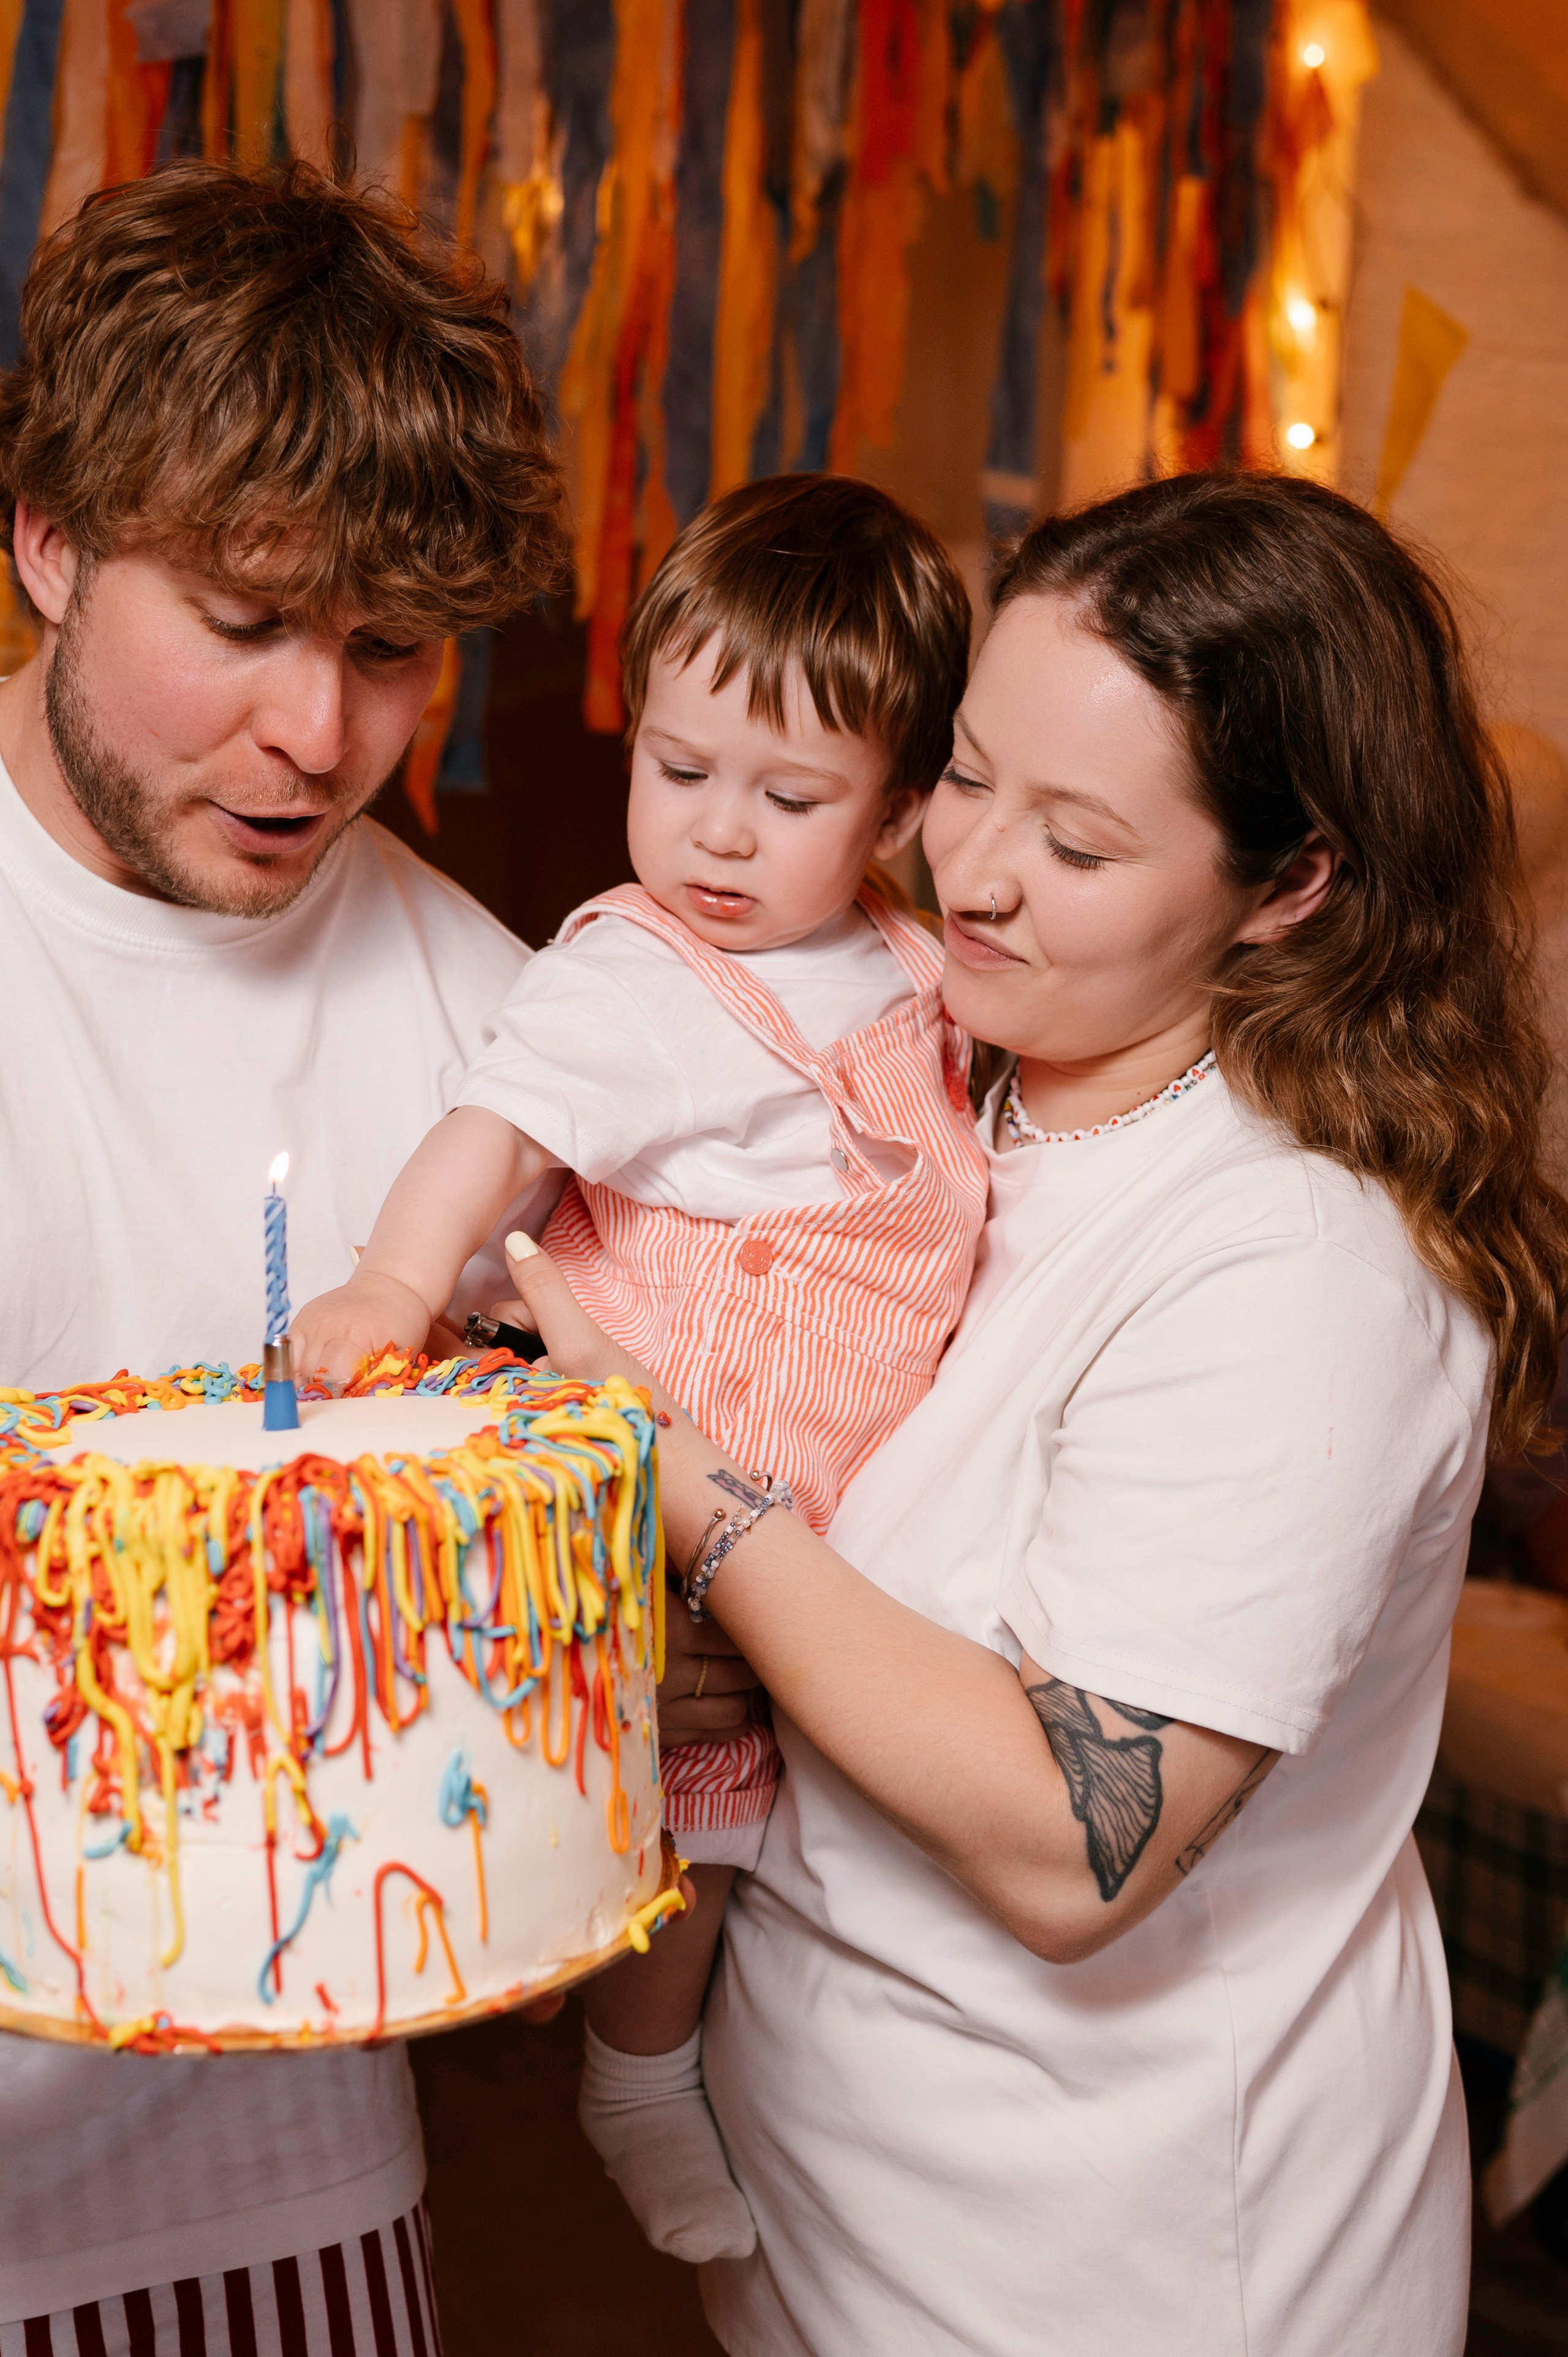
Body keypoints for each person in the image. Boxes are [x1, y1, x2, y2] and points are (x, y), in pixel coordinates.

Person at [496, 471, 1568, 2356]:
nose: (974, 868)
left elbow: (1080, 1841)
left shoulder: (1298, 1260)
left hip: (1116, 2264)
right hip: (833, 2202)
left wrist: (683, 1491)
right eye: (969, 774)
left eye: (1075, 842)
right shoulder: (938, 1074)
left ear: (1290, 881)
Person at [292, 472, 989, 2263]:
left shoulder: (925, 977)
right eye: (679, 774)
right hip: (650, 1490)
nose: (718, 840)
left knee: (761, 1836)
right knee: (680, 1803)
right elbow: (490, 1127)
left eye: (791, 798)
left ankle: (660, 2055)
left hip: (836, 1513)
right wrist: (389, 1273)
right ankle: (634, 2074)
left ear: (903, 807)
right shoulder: (644, 974)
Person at [0, 162, 564, 2348]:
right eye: (243, 623)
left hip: (275, 2179)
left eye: (392, 649)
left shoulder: (506, 1034)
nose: (321, 740)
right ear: (47, 539)